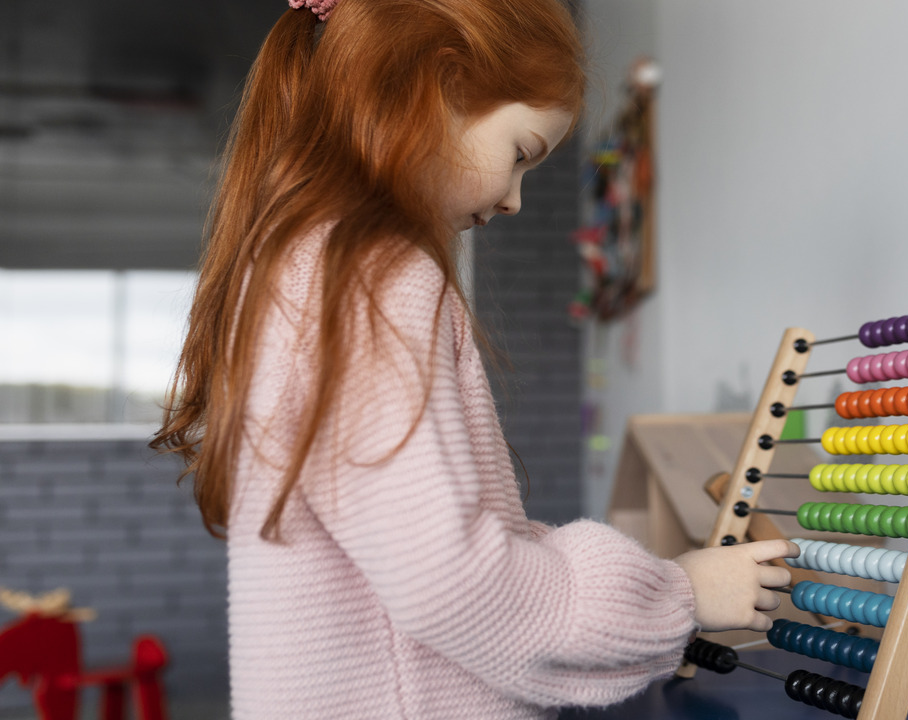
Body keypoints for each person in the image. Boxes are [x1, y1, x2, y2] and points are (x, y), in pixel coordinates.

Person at [151, 0, 798, 717]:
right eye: (520, 153)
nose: (516, 200)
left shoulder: (298, 267)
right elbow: (454, 583)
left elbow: (420, 552)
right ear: (438, 86)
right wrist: (680, 594)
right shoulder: (370, 271)